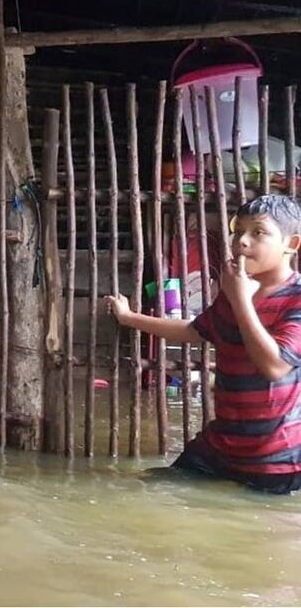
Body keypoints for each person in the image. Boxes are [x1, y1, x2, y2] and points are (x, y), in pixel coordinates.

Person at [107, 195, 301, 494]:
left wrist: (240, 300)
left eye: (258, 232)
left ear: (292, 244)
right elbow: (195, 330)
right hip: (220, 445)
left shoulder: (293, 298)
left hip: (276, 458)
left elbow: (275, 366)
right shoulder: (235, 293)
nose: (242, 241)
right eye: (239, 231)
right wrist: (129, 318)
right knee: (151, 490)